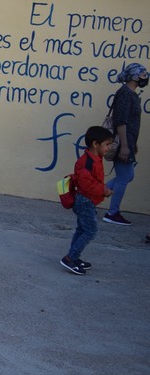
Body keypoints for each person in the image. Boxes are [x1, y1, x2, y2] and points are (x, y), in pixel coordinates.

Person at [61, 126, 115, 275]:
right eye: (107, 144)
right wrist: (104, 190)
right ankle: (70, 258)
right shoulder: (86, 163)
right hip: (85, 201)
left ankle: (74, 256)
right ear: (95, 144)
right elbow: (87, 186)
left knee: (82, 229)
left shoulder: (95, 159)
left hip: (87, 201)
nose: (109, 148)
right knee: (90, 231)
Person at [103, 62, 148, 226]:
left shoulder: (131, 94)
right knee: (124, 176)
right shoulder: (124, 93)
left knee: (128, 176)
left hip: (128, 140)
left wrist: (132, 143)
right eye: (143, 74)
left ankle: (89, 196)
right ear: (135, 76)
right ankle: (112, 213)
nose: (146, 77)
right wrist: (124, 145)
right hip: (123, 141)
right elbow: (121, 121)